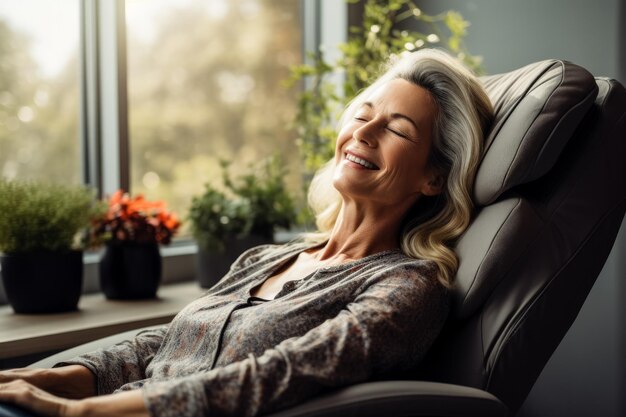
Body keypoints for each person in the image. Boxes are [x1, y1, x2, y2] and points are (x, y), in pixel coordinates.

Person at [0, 48, 493, 417]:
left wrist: (77, 412)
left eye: (398, 130)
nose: (364, 133)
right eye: (363, 114)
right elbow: (168, 343)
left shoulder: (408, 287)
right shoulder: (263, 260)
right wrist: (54, 379)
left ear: (433, 177)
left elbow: (281, 376)